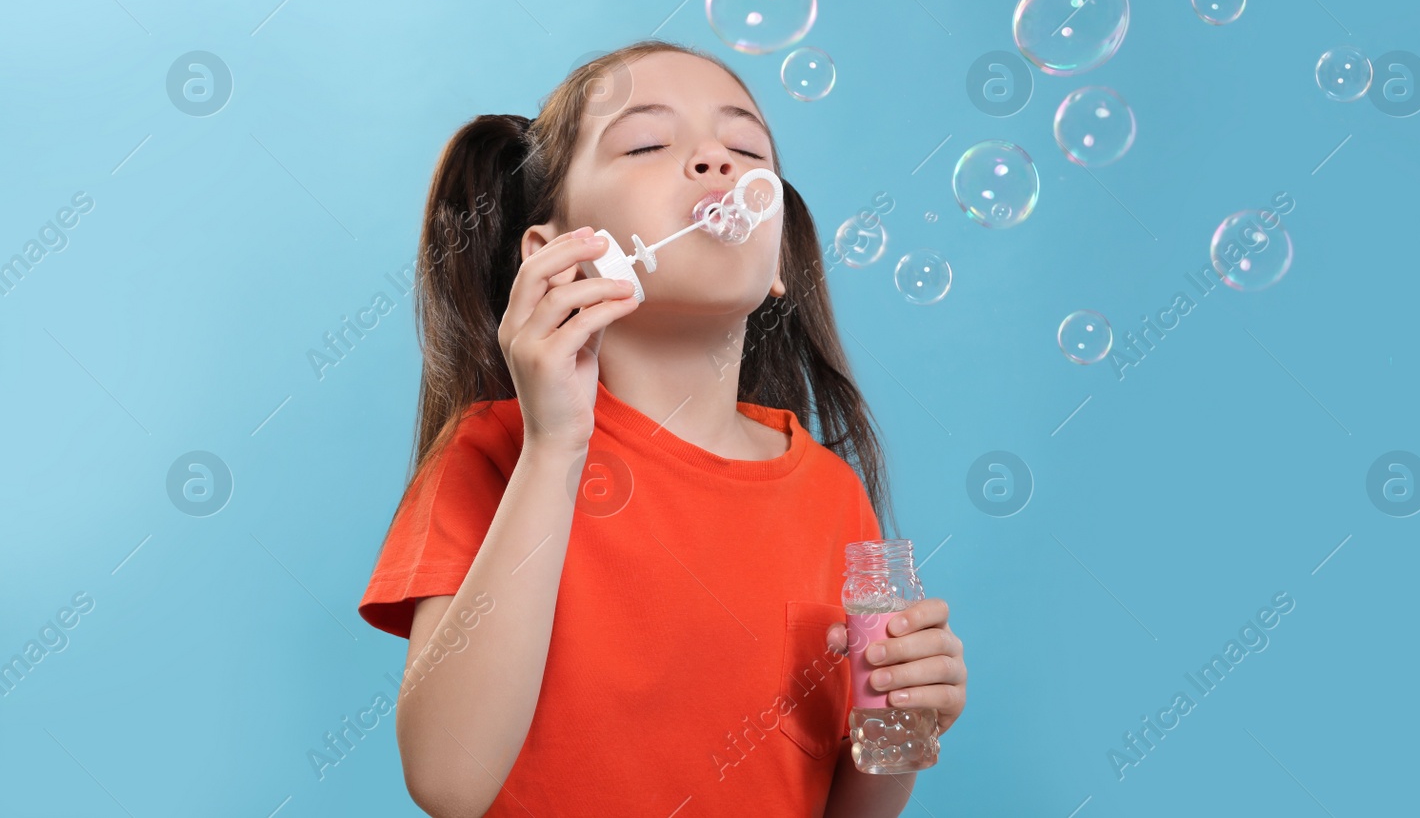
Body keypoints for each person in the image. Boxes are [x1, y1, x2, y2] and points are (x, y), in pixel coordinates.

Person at [357, 40, 967, 817]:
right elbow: (449, 779)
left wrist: (904, 722)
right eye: (647, 143)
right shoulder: (498, 451)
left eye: (747, 149)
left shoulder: (830, 495)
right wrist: (555, 447)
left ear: (778, 260)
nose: (717, 160)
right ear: (556, 253)